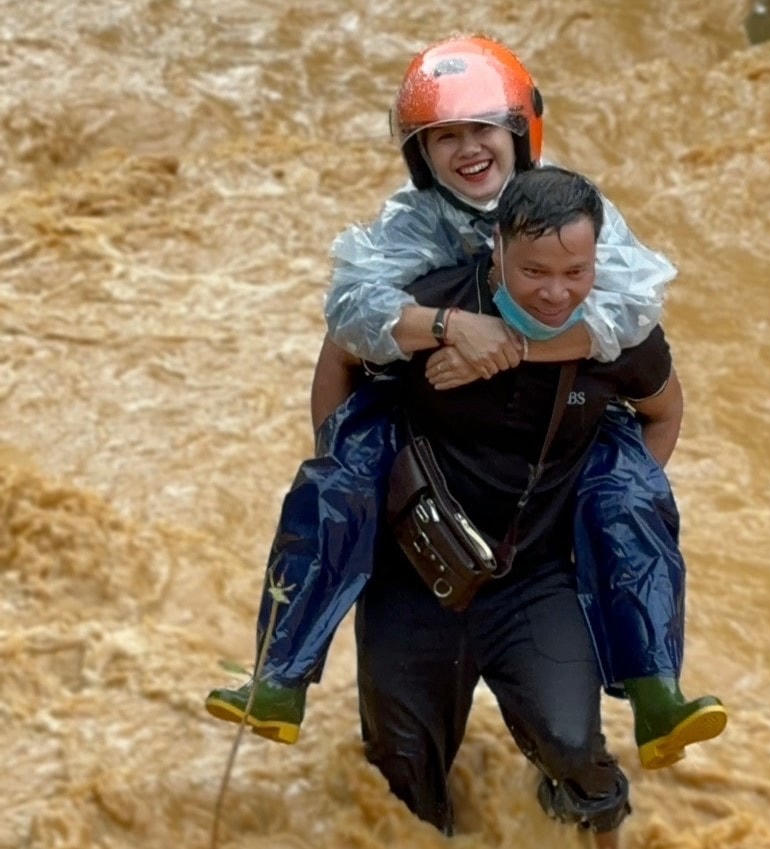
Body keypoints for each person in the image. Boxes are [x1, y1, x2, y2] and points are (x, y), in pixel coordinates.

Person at [206, 36, 725, 773]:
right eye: (444, 136)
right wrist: (445, 337)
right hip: (421, 541)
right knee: (399, 763)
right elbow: (346, 327)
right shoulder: (412, 239)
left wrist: (520, 351)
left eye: (482, 129)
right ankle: (281, 674)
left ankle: (653, 694)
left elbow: (638, 328)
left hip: (538, 553)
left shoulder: (579, 222)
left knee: (576, 744)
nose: (467, 149)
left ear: (518, 133)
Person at [355, 166, 671, 844]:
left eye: (575, 271)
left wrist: (609, 506)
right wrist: (353, 486)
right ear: (495, 246)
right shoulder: (433, 304)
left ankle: (599, 830)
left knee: (572, 744)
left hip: (536, 578)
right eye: (534, 272)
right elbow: (343, 356)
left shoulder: (618, 332)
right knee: (400, 781)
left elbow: (664, 410)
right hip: (414, 575)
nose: (557, 292)